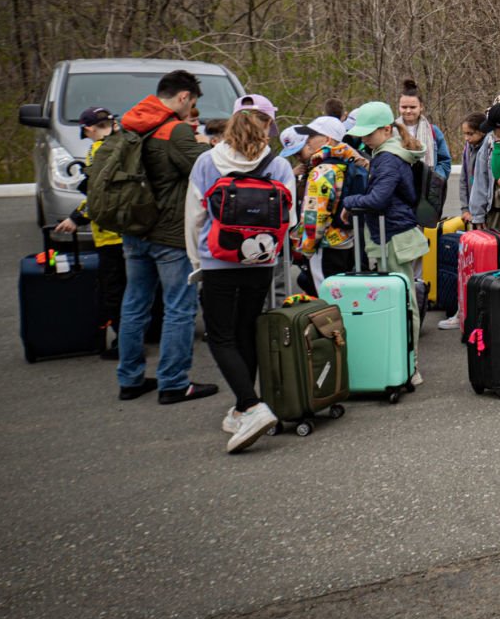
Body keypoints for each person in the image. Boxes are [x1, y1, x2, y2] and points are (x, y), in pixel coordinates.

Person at [181, 108, 296, 452]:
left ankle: (250, 405)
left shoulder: (207, 162)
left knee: (220, 336)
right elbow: (288, 218)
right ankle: (242, 407)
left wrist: (196, 259)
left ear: (229, 131)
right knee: (247, 328)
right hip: (261, 261)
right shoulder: (278, 165)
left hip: (218, 260)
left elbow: (194, 215)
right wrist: (268, 250)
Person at [113, 70, 218, 403]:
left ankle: (130, 379)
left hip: (134, 227)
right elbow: (204, 170)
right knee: (179, 308)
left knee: (135, 304)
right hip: (169, 233)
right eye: (192, 102)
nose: (191, 110)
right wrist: (205, 145)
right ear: (184, 96)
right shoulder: (175, 130)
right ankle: (173, 382)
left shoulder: (130, 125)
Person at [340, 100, 428, 342]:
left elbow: (378, 199)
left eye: (369, 134)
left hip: (393, 236)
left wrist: (348, 202)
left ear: (387, 129)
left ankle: (408, 358)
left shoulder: (388, 158)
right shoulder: (389, 153)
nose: (364, 139)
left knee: (403, 300)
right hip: (394, 233)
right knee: (400, 296)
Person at [54, 107, 125, 356]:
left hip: (110, 235)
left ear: (89, 129)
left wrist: (76, 218)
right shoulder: (127, 145)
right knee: (136, 288)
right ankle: (141, 334)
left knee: (113, 290)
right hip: (134, 230)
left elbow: (97, 195)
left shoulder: (98, 150)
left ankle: (124, 342)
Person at [284, 115, 364, 294]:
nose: (307, 141)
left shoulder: (322, 171)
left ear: (327, 139)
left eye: (312, 136)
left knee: (326, 296)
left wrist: (306, 248)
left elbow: (315, 215)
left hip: (325, 245)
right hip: (346, 240)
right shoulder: (347, 163)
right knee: (343, 295)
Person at [397, 79, 451, 183]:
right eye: (404, 107)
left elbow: (444, 161)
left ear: (421, 107)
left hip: (427, 187)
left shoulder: (433, 131)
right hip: (398, 187)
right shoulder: (391, 131)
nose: (408, 111)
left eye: (413, 107)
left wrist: (436, 179)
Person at [458, 110, 489, 222]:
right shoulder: (468, 148)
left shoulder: (488, 149)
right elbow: (463, 180)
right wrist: (465, 209)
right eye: (465, 134)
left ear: (482, 131)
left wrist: (479, 213)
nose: (466, 138)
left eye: (470, 134)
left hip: (485, 211)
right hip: (471, 211)